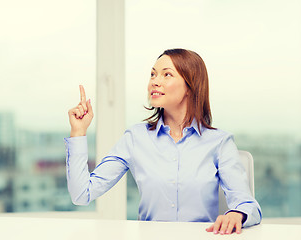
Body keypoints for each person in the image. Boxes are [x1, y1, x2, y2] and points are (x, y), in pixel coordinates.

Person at [65, 48, 262, 235]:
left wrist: (237, 214)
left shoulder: (219, 142)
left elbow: (247, 205)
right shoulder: (135, 138)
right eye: (153, 74)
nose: (154, 82)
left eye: (166, 74)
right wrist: (78, 131)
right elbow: (82, 194)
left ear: (190, 86)